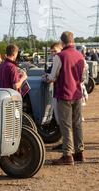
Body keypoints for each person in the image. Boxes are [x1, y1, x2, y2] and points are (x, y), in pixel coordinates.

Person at [47, 31, 86, 165]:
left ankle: (67, 155)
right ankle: (79, 152)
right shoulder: (80, 55)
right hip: (77, 93)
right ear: (72, 40)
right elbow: (83, 78)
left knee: (66, 125)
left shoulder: (60, 56)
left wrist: (47, 78)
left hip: (64, 93)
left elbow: (52, 77)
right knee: (77, 124)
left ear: (62, 42)